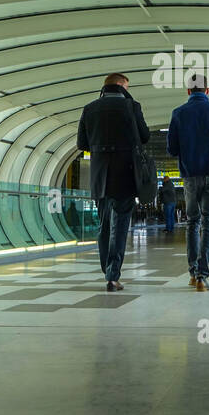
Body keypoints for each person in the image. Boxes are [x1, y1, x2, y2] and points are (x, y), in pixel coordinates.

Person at [76, 72, 149, 291]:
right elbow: (144, 136)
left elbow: (81, 143)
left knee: (104, 226)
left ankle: (106, 270)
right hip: (125, 173)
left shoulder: (89, 108)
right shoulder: (131, 106)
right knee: (120, 226)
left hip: (100, 175)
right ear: (121, 86)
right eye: (127, 86)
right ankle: (113, 275)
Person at [166, 71, 209, 291]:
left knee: (192, 222)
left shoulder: (178, 113)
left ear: (188, 91)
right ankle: (202, 275)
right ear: (207, 90)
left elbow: (172, 149)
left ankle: (191, 271)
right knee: (208, 223)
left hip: (189, 175)